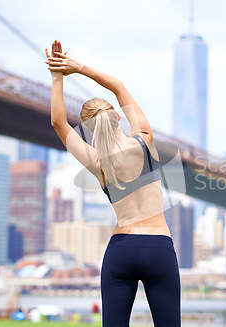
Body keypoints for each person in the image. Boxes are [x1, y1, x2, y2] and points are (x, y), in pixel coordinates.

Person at [45, 40, 181, 327]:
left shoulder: (98, 163)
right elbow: (119, 88)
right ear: (117, 117)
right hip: (159, 248)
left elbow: (59, 123)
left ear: (90, 130)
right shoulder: (145, 141)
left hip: (121, 250)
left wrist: (56, 76)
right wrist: (77, 68)